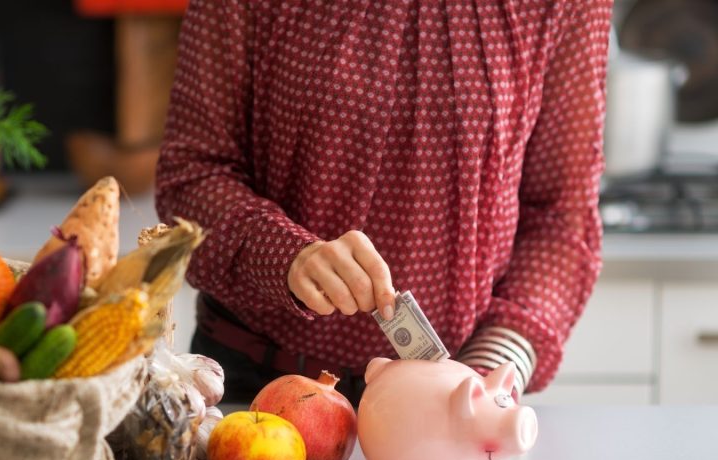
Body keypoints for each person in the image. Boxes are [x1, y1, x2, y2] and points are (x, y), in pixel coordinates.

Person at [156, 0, 612, 405]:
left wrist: (491, 371)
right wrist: (286, 256)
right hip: (256, 391)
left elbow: (561, 219)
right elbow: (191, 176)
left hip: (454, 404)